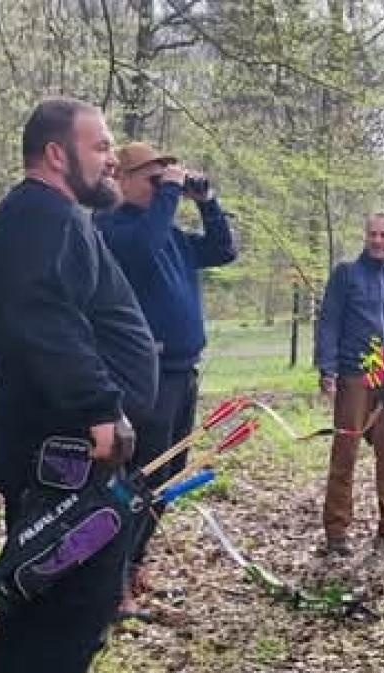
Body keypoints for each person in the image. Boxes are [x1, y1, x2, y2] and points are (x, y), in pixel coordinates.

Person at [0, 97, 158, 673]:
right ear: (57, 153)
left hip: (75, 457)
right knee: (58, 623)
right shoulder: (37, 218)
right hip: (68, 462)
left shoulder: (52, 218)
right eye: (100, 147)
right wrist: (99, 407)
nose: (110, 159)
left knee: (53, 613)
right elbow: (41, 320)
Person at [94, 141, 238, 617]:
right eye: (153, 180)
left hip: (184, 369)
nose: (162, 188)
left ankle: (134, 562)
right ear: (124, 180)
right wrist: (170, 195)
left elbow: (223, 250)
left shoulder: (170, 233)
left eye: (165, 178)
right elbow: (141, 250)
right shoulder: (111, 229)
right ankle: (112, 581)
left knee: (170, 474)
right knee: (139, 478)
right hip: (145, 374)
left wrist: (208, 201)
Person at [314, 212, 384, 555]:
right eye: (372, 234)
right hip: (354, 373)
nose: (378, 240)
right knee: (345, 452)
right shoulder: (347, 274)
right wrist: (327, 368)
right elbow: (329, 321)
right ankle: (337, 530)